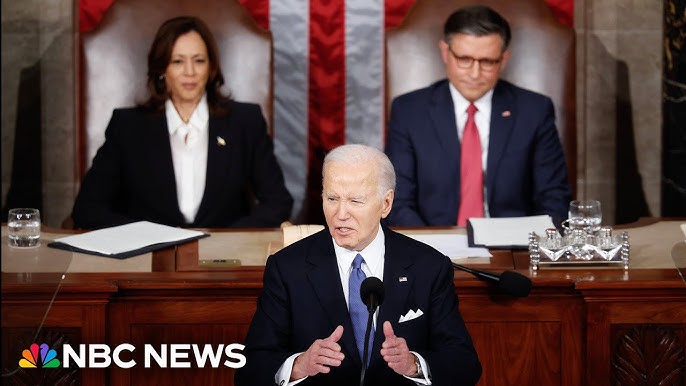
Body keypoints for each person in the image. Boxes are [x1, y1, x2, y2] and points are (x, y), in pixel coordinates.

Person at [235, 144, 481, 386]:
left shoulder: (428, 266)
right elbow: (250, 370)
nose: (341, 214)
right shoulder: (287, 268)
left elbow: (464, 365)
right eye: (332, 198)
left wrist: (414, 364)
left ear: (386, 203)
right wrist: (299, 365)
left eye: (355, 201)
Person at [71, 16, 292, 229]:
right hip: (149, 259)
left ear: (211, 67)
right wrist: (144, 235)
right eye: (178, 61)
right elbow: (87, 209)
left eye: (199, 60)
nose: (190, 72)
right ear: (161, 70)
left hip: (223, 261)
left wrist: (228, 240)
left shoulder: (245, 121)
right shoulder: (127, 126)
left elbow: (278, 202)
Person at [385, 5, 572, 228]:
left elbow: (554, 199)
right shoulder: (409, 111)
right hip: (433, 247)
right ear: (445, 52)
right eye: (464, 59)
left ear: (503, 59)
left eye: (487, 62)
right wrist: (431, 250)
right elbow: (397, 202)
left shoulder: (535, 110)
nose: (474, 74)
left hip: (512, 249)